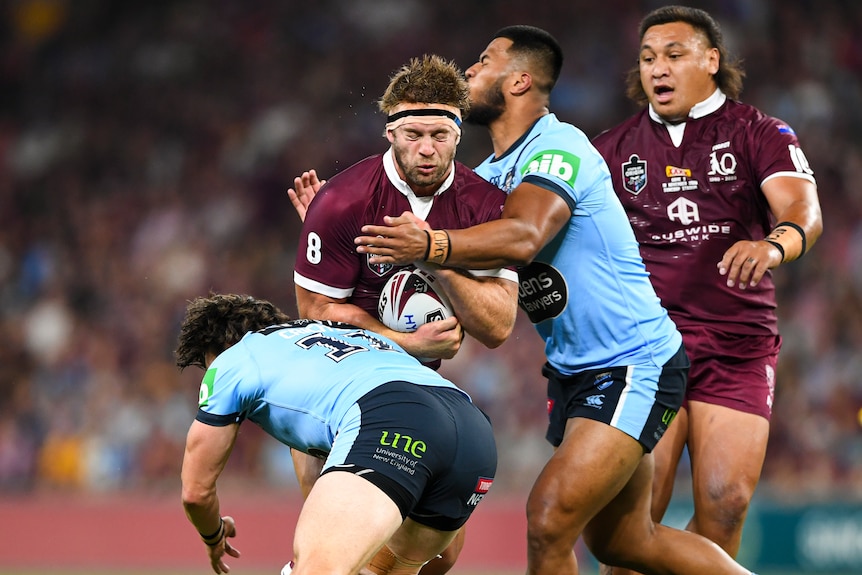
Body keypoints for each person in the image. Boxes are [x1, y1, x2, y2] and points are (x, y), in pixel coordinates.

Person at [355, 25, 756, 575]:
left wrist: (431, 243)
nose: (469, 71)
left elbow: (523, 236)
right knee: (625, 543)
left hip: (632, 362)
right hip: (573, 374)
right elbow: (479, 308)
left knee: (547, 519)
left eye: (483, 59)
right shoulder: (485, 178)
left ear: (520, 80)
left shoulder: (558, 145)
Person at [590, 6, 823, 573]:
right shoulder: (611, 150)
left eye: (673, 55)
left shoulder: (759, 132)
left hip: (738, 343)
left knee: (726, 504)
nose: (657, 69)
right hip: (648, 347)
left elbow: (803, 210)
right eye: (648, 59)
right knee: (637, 512)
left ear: (711, 61)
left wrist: (773, 245)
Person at [288, 54, 519, 575]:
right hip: (336, 384)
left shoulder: (486, 208)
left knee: (439, 555)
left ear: (459, 133)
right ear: (390, 131)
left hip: (418, 393)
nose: (426, 149)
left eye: (440, 134)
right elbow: (315, 314)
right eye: (413, 133)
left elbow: (499, 326)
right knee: (343, 553)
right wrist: (406, 343)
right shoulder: (344, 200)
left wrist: (430, 254)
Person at [176, 293, 498, 575]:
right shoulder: (341, 339)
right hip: (472, 428)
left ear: (217, 350)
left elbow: (196, 492)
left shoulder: (235, 358)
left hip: (390, 418)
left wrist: (213, 535)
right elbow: (445, 556)